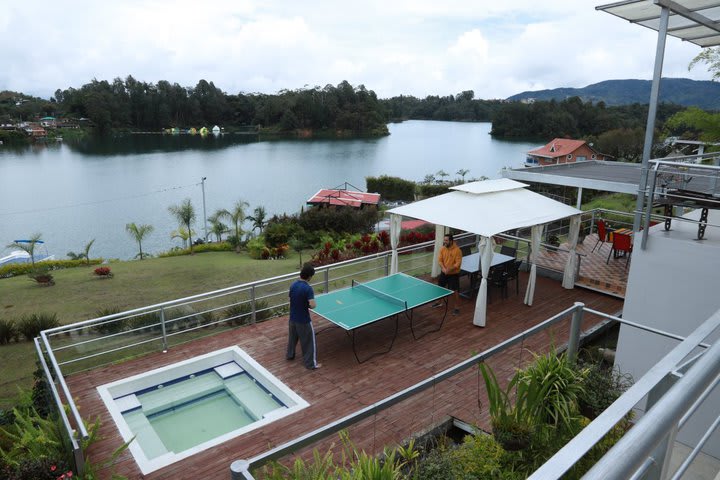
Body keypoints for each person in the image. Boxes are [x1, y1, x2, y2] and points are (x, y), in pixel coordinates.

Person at [286, 263, 321, 370]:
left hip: (292, 319)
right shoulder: (308, 289)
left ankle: (290, 355)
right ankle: (311, 364)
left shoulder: (293, 285)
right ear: (309, 276)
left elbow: (291, 299)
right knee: (309, 342)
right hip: (304, 321)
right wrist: (308, 304)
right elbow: (313, 305)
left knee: (292, 339)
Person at [436, 233, 462, 314]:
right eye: (444, 240)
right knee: (440, 288)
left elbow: (457, 264)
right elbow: (440, 260)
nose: (445, 242)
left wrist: (449, 269)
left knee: (455, 291)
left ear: (451, 241)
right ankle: (439, 302)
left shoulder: (457, 250)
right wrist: (444, 269)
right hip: (444, 272)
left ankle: (457, 308)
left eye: (446, 240)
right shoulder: (442, 249)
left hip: (453, 274)